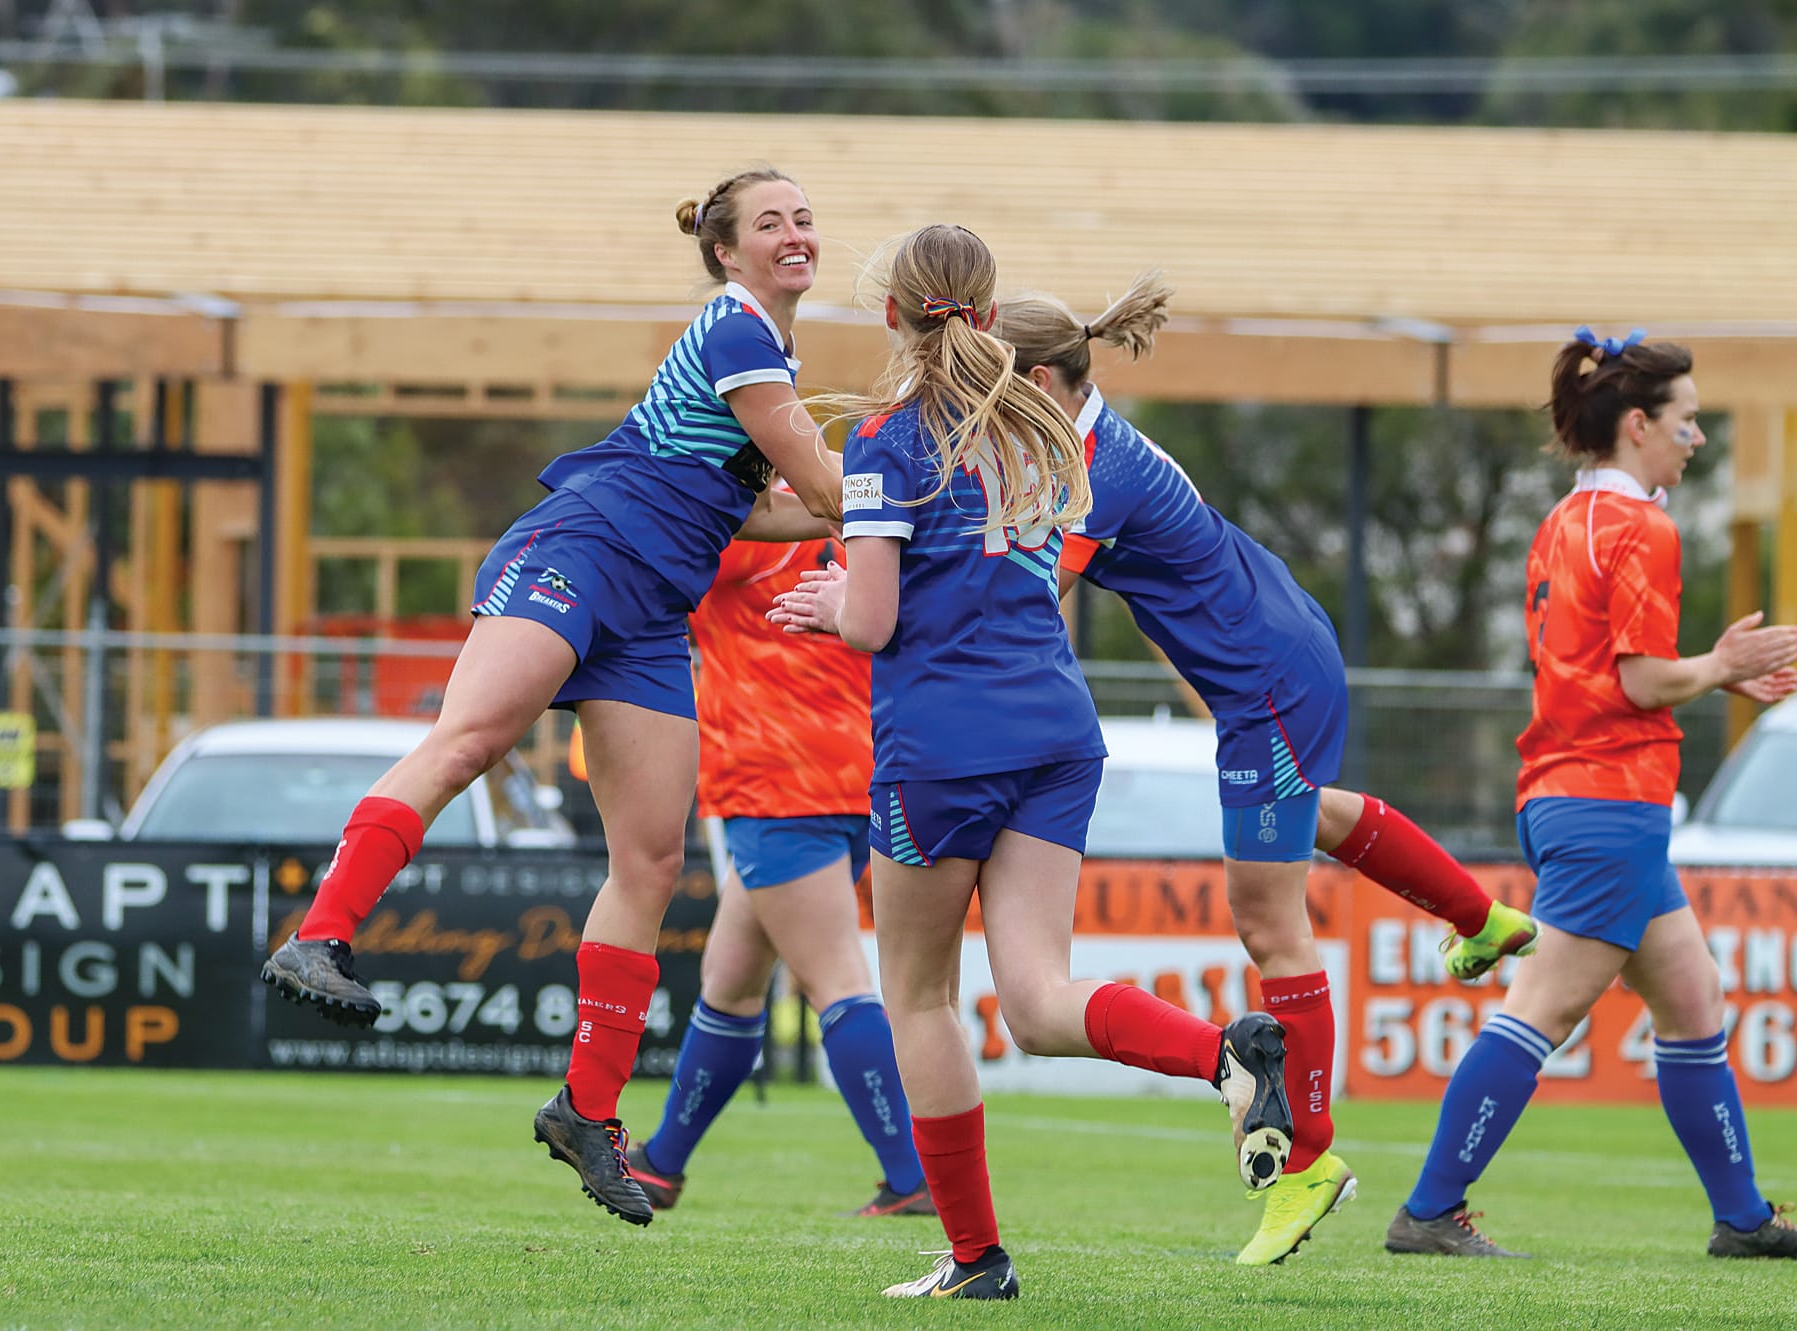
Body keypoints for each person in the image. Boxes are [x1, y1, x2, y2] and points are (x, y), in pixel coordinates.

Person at [258, 167, 844, 1228]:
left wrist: (869, 508)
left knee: (652, 858)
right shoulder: (738, 328)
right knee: (475, 735)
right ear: (725, 251)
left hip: (651, 605)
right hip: (582, 546)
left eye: (802, 219)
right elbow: (822, 481)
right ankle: (321, 932)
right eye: (771, 223)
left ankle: (586, 1109)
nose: (794, 234)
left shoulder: (772, 348)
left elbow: (761, 506)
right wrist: (931, 502)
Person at [768, 223, 1296, 1301]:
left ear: (889, 314)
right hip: (1057, 731)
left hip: (941, 744)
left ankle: (975, 1257)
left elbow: (871, 618)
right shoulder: (1037, 428)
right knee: (1039, 996)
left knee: (918, 996)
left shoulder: (884, 437)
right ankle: (1221, 1055)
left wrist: (829, 603)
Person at [989, 274, 1542, 1264]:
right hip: (1276, 655)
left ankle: (1308, 1161)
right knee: (1316, 818)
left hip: (1266, 681)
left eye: (988, 397)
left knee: (1267, 922)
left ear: (1037, 378)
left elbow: (1034, 594)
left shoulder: (1093, 465)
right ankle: (1479, 915)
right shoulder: (1091, 445)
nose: (982, 420)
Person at [1384, 329, 1797, 1259]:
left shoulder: (1565, 519)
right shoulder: (1641, 527)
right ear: (1639, 424)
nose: (1697, 437)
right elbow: (1645, 682)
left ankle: (1740, 1220)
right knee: (1543, 1010)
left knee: (1692, 1001)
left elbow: (1609, 673)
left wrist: (1711, 674)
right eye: (1687, 421)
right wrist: (1719, 662)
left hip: (1573, 794)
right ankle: (1428, 1209)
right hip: (1609, 801)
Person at [621, 521, 933, 1218]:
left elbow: (652, 565)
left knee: (836, 982)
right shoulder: (851, 524)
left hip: (777, 784)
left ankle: (910, 1176)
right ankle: (662, 1162)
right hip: (854, 772)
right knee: (730, 982)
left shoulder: (748, 525)